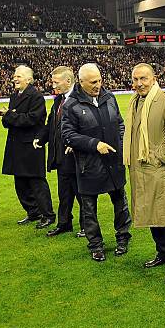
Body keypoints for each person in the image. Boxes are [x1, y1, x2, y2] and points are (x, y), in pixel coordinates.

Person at [61, 63, 132, 261]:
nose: (98, 85)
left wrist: (119, 142)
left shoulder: (109, 98)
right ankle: (96, 245)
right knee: (89, 209)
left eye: (100, 80)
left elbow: (119, 123)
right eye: (93, 82)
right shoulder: (71, 105)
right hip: (88, 165)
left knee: (120, 202)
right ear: (81, 82)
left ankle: (123, 237)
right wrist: (94, 144)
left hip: (113, 161)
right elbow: (67, 135)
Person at [123, 63, 165, 284]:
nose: (139, 83)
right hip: (140, 169)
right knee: (151, 213)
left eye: (144, 79)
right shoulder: (134, 102)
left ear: (153, 78)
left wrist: (159, 157)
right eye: (136, 79)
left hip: (160, 170)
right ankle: (162, 254)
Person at [0, 65, 55, 228]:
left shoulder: (36, 97)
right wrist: (7, 116)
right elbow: (7, 123)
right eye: (14, 76)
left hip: (32, 145)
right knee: (20, 182)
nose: (15, 78)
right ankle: (33, 212)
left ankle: (48, 215)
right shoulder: (14, 96)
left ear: (29, 79)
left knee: (36, 182)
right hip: (16, 145)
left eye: (18, 76)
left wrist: (9, 115)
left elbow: (31, 120)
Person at [33, 66, 85, 238]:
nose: (53, 84)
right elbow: (50, 125)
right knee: (64, 193)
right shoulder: (58, 101)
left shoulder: (80, 98)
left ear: (68, 81)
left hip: (77, 156)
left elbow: (87, 125)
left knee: (82, 194)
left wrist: (77, 142)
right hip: (61, 156)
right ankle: (64, 224)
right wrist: (41, 138)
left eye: (56, 81)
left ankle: (86, 226)